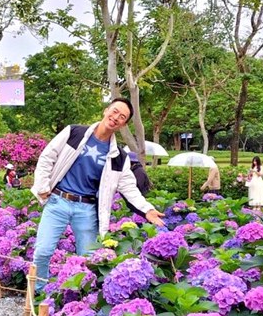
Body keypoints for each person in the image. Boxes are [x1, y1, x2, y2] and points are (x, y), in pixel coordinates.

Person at [31, 98, 165, 292]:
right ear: (106, 110)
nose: (116, 117)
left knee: (88, 261)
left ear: (123, 124)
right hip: (58, 202)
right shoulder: (73, 133)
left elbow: (129, 187)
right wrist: (42, 186)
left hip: (86, 210)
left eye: (122, 117)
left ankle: (78, 299)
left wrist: (148, 210)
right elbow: (47, 157)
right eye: (115, 111)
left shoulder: (119, 156)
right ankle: (38, 293)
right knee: (42, 252)